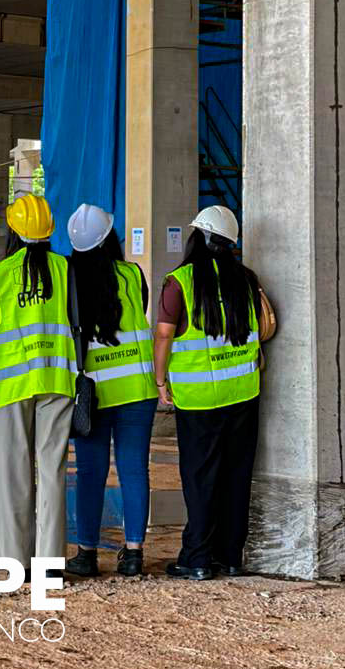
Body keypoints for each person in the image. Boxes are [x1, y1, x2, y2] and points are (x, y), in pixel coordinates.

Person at [153, 205, 262, 581]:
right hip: (244, 394)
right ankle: (230, 556)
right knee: (236, 475)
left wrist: (161, 381)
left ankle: (196, 558)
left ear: (197, 237)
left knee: (201, 479)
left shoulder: (179, 282)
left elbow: (165, 334)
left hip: (199, 401)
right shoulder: (246, 279)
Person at [64, 204, 157, 579]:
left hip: (94, 392)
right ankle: (133, 553)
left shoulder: (69, 280)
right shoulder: (133, 275)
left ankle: (86, 553)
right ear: (110, 239)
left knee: (90, 472)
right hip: (137, 387)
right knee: (134, 469)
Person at [0, 194, 77, 567]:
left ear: (13, 231)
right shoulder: (64, 269)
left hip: (12, 384)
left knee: (11, 470)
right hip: (57, 378)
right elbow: (76, 322)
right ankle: (49, 565)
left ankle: (10, 561)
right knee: (52, 471)